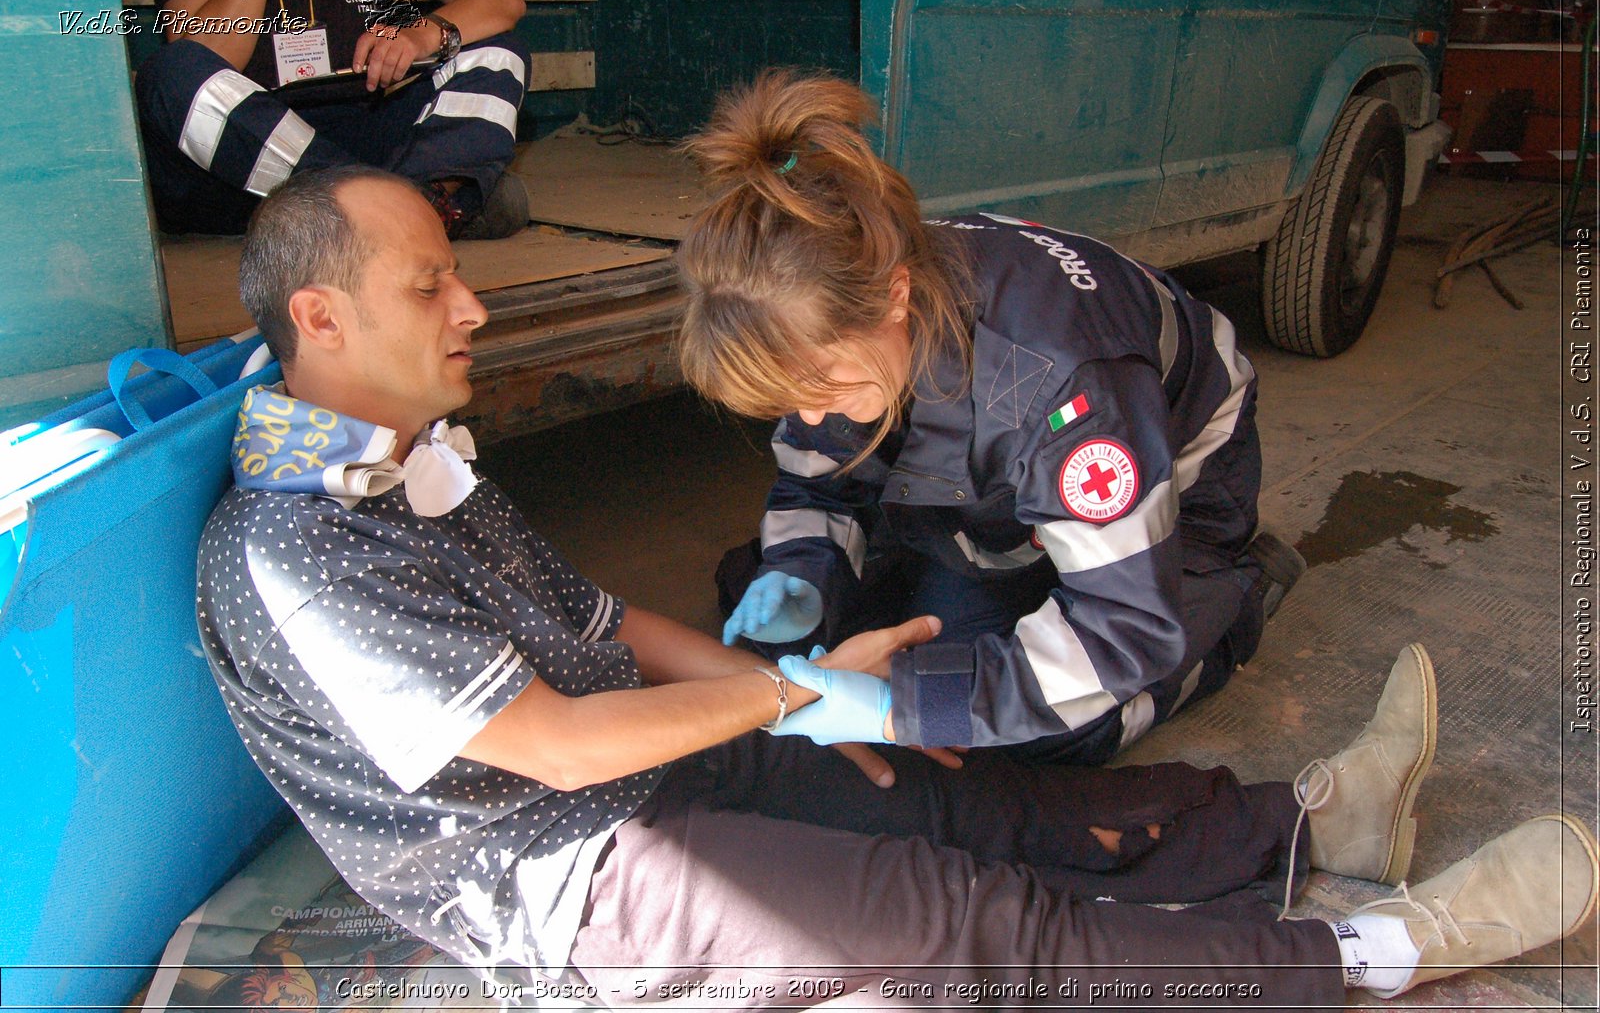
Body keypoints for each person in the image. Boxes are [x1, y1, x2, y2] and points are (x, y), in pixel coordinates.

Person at [193, 163, 1595, 1007]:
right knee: (959, 926)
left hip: (1134, 569)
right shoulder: (303, 540)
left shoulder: (1054, 377)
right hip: (560, 873)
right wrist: (785, 672)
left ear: (893, 313)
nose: (477, 306)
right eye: (435, 284)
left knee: (951, 778)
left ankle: (1306, 820)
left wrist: (808, 696)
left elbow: (601, 625)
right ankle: (1379, 952)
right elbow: (557, 742)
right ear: (322, 316)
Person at [678, 70, 1315, 765]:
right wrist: (802, 572)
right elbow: (818, 480)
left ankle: (1235, 597)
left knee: (1034, 730)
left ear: (895, 298)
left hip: (1177, 473)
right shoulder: (840, 295)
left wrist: (906, 710)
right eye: (784, 393)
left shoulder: (1063, 385)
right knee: (799, 633)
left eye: (817, 382)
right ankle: (1021, 574)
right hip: (1003, 477)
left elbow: (1121, 629)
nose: (805, 412)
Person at [137, 0, 529, 239]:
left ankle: (403, 204)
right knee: (169, 74)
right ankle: (408, 207)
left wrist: (421, 34)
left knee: (497, 51)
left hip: (358, 128)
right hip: (247, 160)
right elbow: (206, 51)